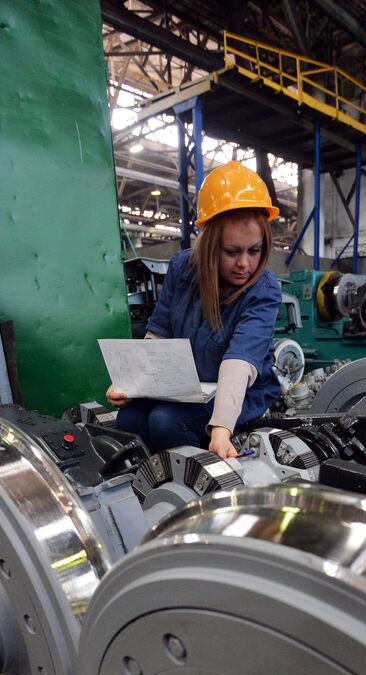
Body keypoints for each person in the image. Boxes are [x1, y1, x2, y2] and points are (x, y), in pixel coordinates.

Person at [105, 161, 282, 459]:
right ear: (211, 243)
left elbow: (239, 362)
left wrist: (222, 430)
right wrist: (130, 383)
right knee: (129, 420)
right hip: (190, 387)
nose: (245, 264)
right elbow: (160, 333)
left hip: (238, 393)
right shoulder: (182, 268)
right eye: (232, 252)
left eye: (254, 250)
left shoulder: (263, 288)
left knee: (165, 423)